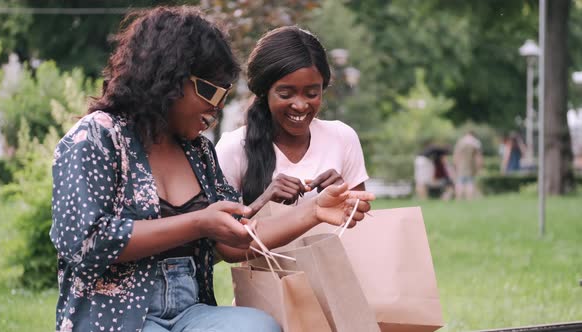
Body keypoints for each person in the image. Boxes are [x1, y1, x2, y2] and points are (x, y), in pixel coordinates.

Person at [50, 7, 374, 332]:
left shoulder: (199, 151)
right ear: (167, 79)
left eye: (224, 93)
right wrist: (198, 223)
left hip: (189, 311)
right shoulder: (97, 137)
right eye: (209, 90)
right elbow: (87, 243)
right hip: (115, 315)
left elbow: (235, 243)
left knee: (259, 327)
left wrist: (315, 210)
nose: (216, 105)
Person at [215, 26, 369, 214]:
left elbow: (362, 215)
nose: (300, 105)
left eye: (312, 93)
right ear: (264, 92)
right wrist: (263, 202)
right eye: (286, 94)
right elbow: (217, 235)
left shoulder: (342, 137)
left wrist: (343, 196)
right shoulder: (233, 147)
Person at [453, 131, 483, 200]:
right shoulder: (475, 142)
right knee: (470, 182)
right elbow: (478, 157)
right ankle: (469, 199)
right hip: (471, 166)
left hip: (461, 166)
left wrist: (455, 166)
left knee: (460, 182)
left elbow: (456, 155)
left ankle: (459, 199)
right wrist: (479, 167)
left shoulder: (460, 141)